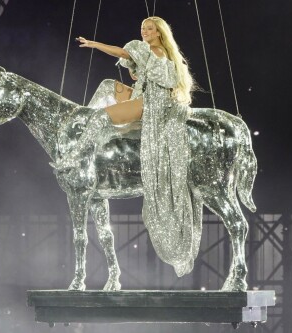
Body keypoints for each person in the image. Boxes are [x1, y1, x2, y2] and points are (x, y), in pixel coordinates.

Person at [58, 16, 199, 276]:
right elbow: (133, 66)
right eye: (143, 28)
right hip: (143, 95)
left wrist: (92, 44)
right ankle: (92, 127)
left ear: (159, 33)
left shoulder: (153, 50)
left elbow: (122, 51)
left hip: (151, 104)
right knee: (106, 86)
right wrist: (135, 70)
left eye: (149, 29)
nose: (144, 32)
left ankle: (78, 152)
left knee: (102, 116)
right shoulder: (154, 52)